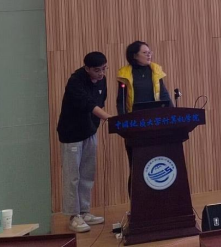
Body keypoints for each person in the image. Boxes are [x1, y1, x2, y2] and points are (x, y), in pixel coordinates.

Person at [57, 52, 113, 233]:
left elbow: (100, 102)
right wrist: (109, 119)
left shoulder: (102, 80)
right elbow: (89, 104)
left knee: (87, 173)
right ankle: (73, 216)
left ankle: (84, 211)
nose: (101, 73)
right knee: (72, 176)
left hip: (89, 131)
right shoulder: (76, 81)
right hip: (72, 134)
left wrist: (97, 123)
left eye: (104, 69)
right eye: (97, 70)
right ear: (87, 68)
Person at [116, 41, 173, 196]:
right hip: (135, 127)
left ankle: (161, 199)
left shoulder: (155, 71)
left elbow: (165, 96)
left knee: (160, 161)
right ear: (135, 55)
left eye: (150, 52)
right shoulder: (125, 74)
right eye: (145, 53)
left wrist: (173, 116)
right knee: (137, 165)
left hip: (156, 125)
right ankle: (136, 203)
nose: (149, 55)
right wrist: (124, 125)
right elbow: (121, 102)